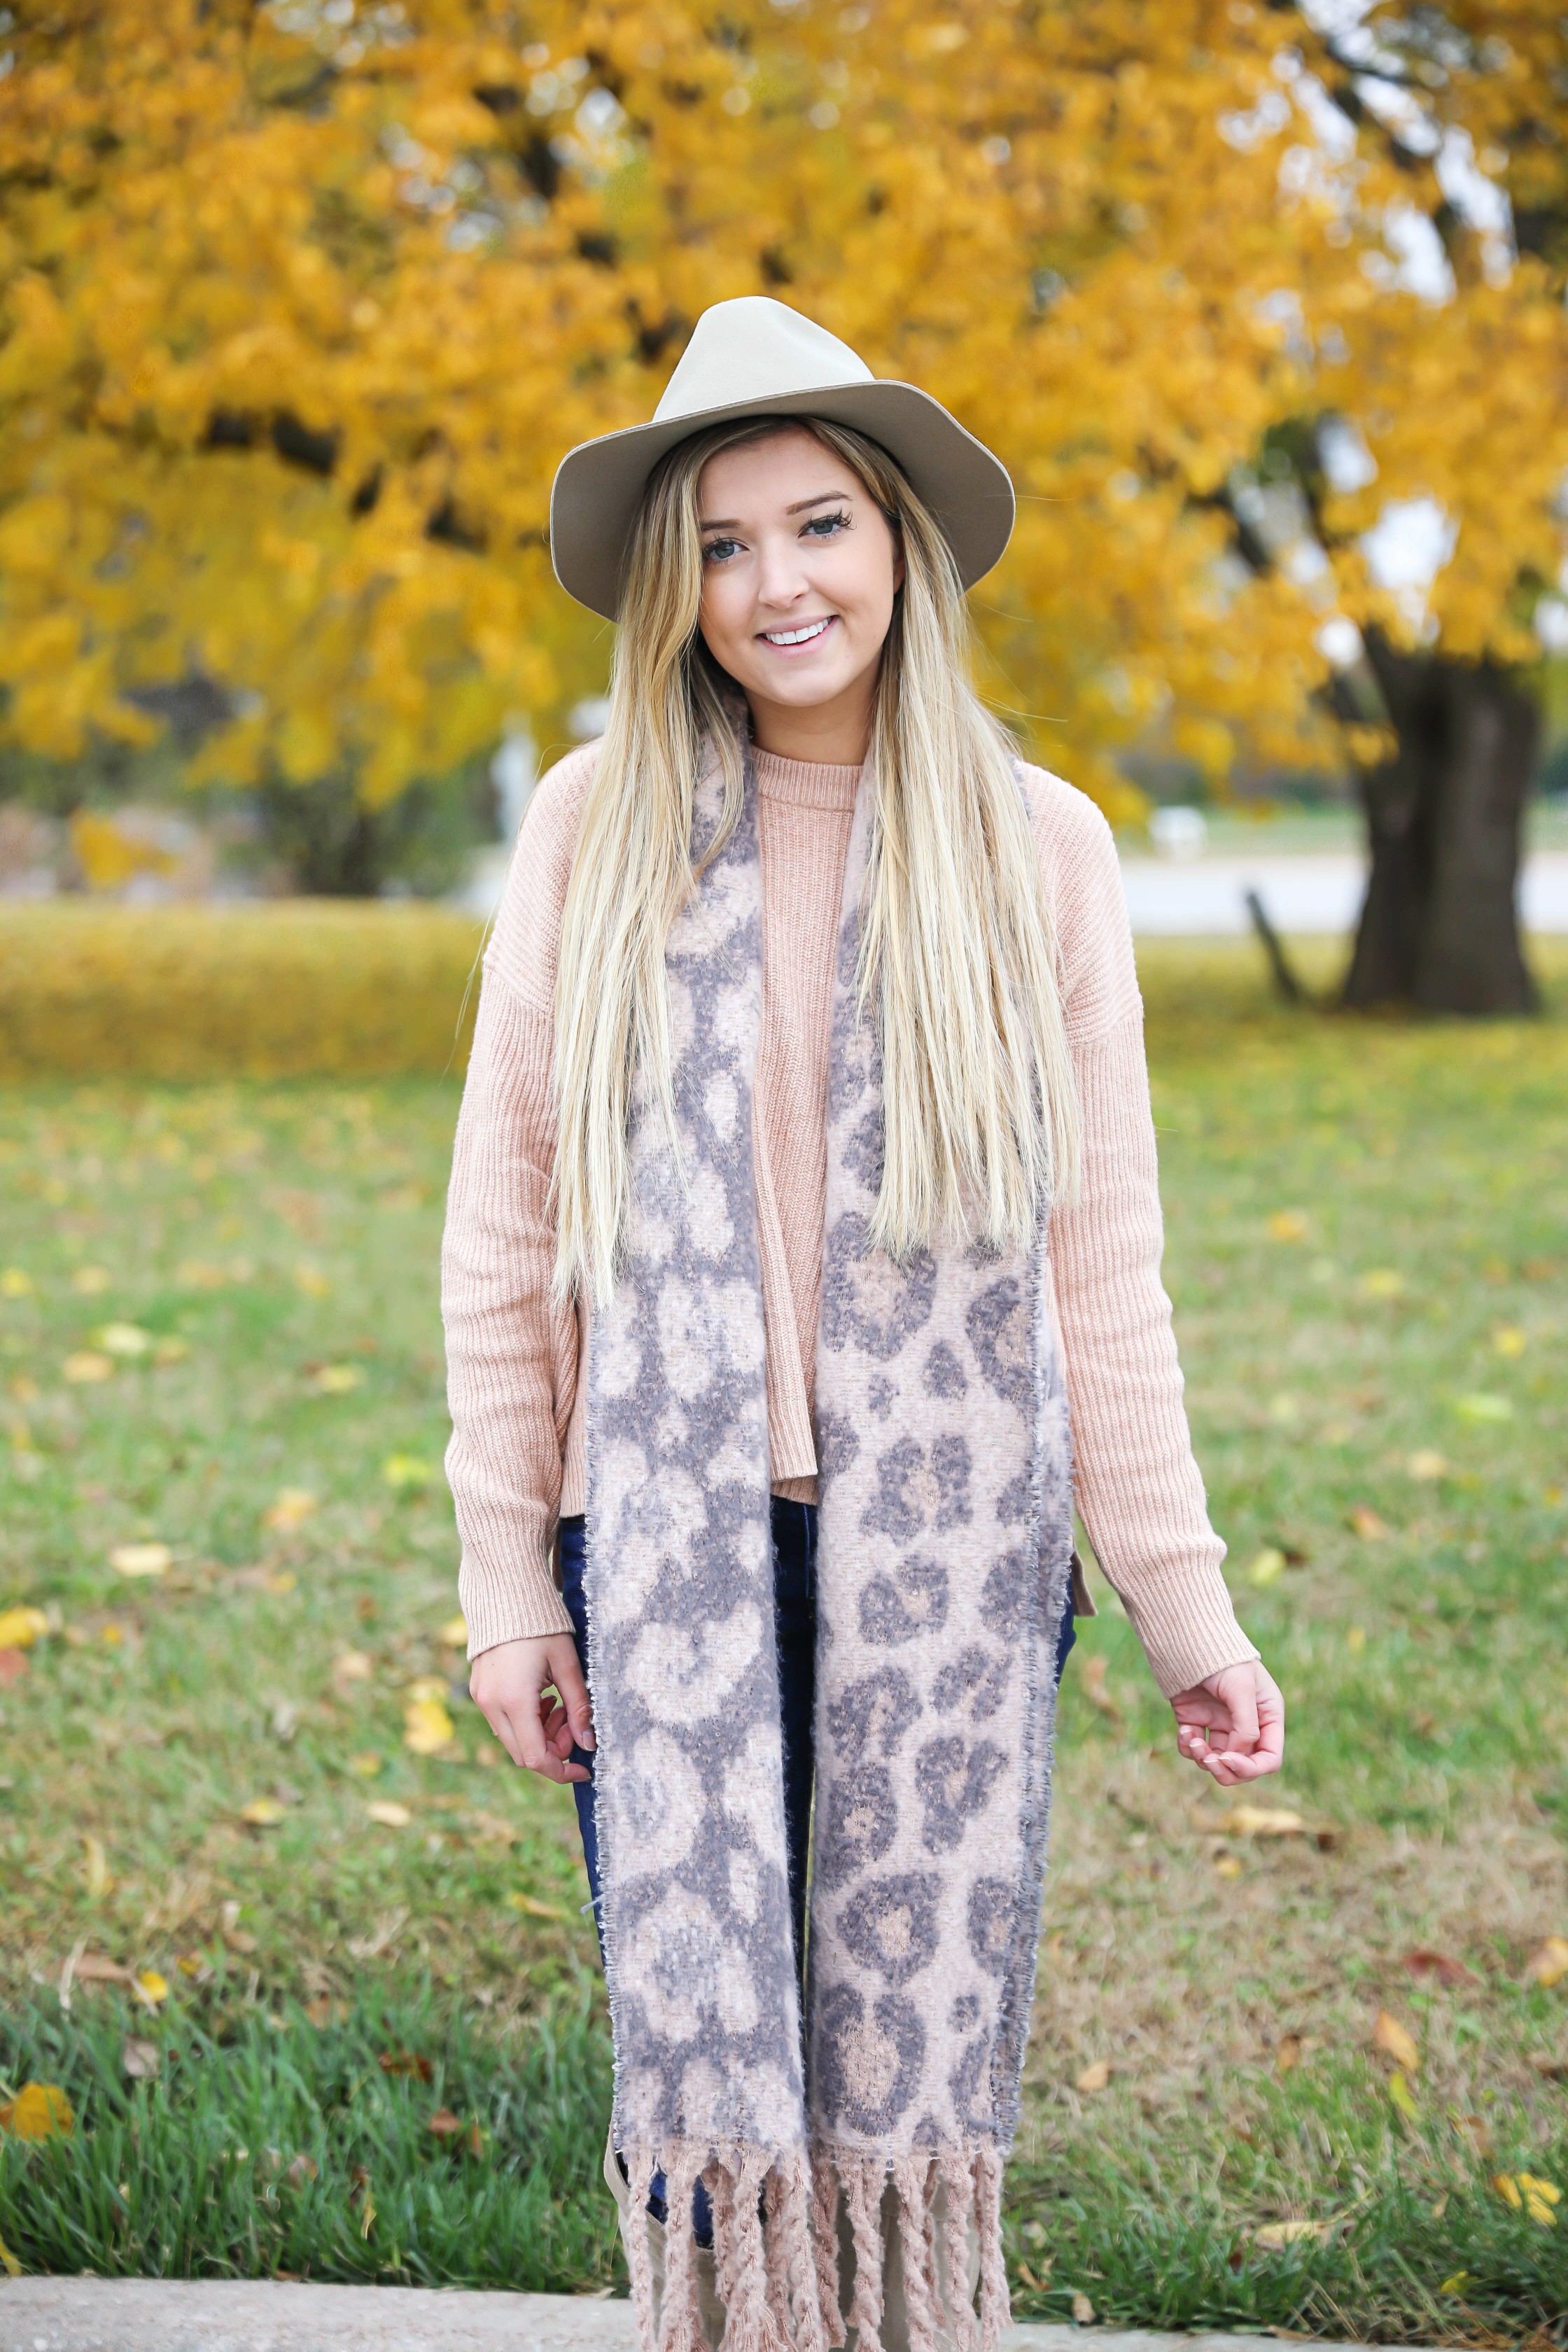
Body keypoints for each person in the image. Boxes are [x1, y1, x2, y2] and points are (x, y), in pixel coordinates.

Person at [441, 298, 1284, 2352]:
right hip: (657, 1552)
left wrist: (1187, 1603)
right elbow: (503, 1235)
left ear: (897, 538)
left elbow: (1102, 1269)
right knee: (715, 2071)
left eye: (816, 525)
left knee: (897, 2057)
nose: (774, 584)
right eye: (722, 546)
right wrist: (503, 1590)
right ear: (675, 585)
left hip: (948, 1549)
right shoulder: (597, 827)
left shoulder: (1038, 850)